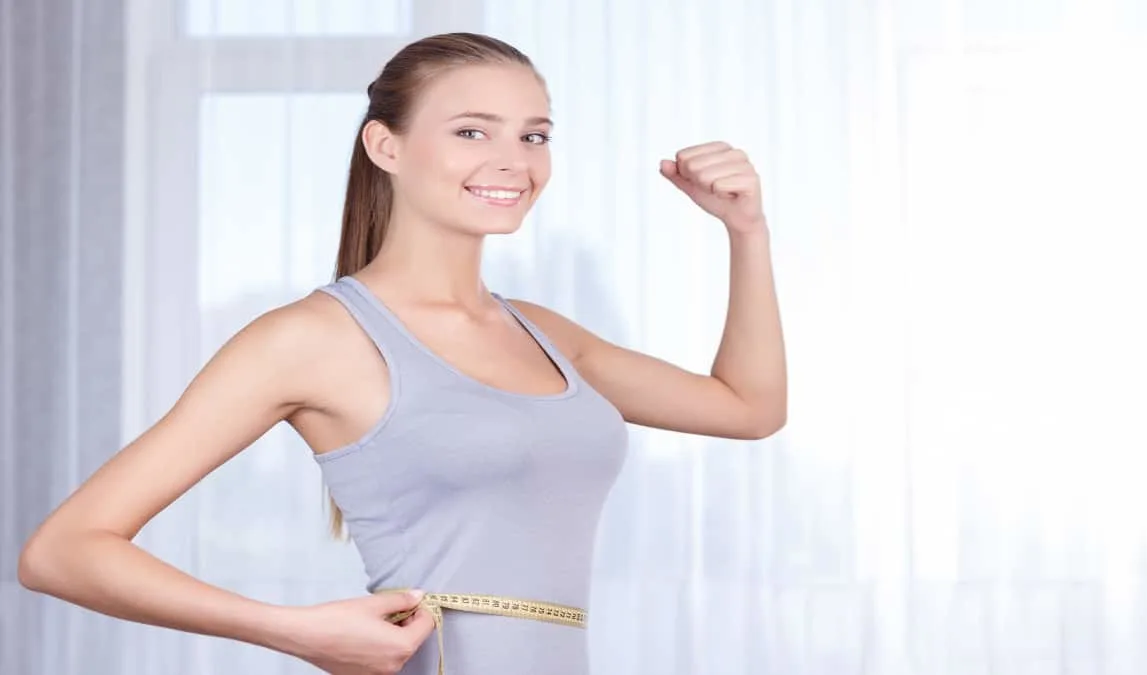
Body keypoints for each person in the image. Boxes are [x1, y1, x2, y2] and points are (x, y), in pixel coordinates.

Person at [16, 31, 786, 675]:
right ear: (385, 145)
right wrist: (292, 628)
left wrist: (745, 232)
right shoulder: (311, 339)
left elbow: (748, 408)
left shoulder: (545, 332)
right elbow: (63, 551)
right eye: (471, 130)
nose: (514, 160)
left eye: (534, 134)